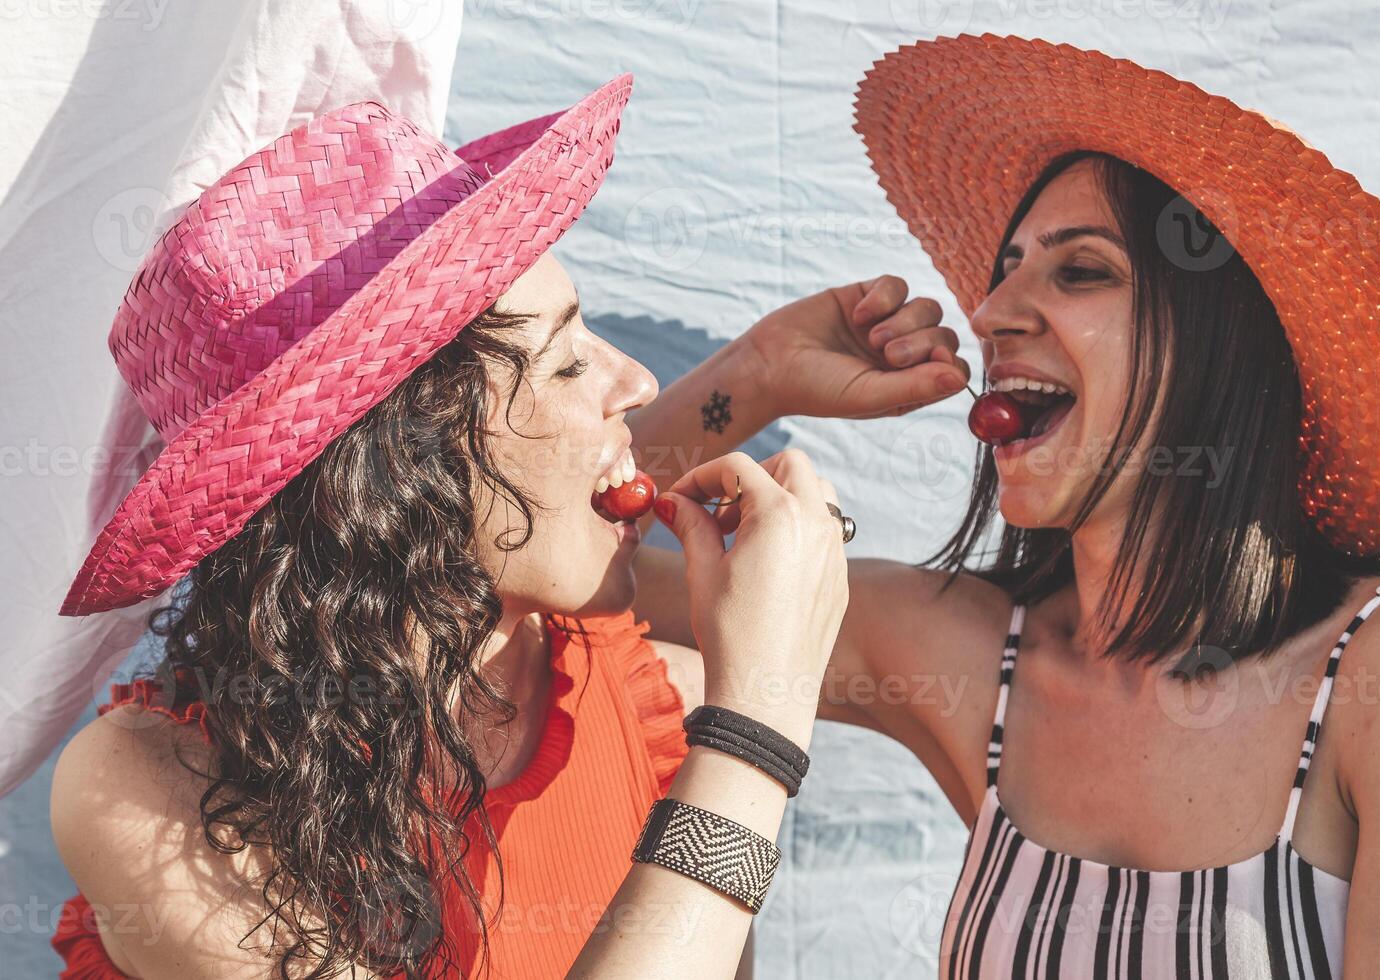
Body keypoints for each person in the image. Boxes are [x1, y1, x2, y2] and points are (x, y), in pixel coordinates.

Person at [46, 75, 963, 979]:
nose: (637, 381)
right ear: (402, 472)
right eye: (568, 364)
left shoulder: (644, 700)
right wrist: (758, 724)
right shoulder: (152, 792)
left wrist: (757, 371)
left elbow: (530, 482)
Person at [632, 34, 1380, 978]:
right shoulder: (964, 652)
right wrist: (757, 377)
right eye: (1009, 269)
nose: (990, 314)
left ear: (1217, 346)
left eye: (1081, 271)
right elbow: (544, 555)